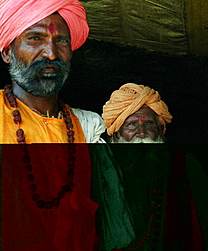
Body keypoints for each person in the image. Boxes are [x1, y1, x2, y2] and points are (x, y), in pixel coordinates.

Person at [0, 1, 134, 250]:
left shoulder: (88, 126)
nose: (51, 53)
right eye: (35, 38)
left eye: (61, 41)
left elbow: (111, 220)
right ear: (7, 52)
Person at [102, 83, 208, 250]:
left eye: (149, 124)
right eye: (132, 125)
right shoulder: (101, 167)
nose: (141, 133)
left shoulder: (183, 163)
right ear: (116, 133)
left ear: (161, 130)